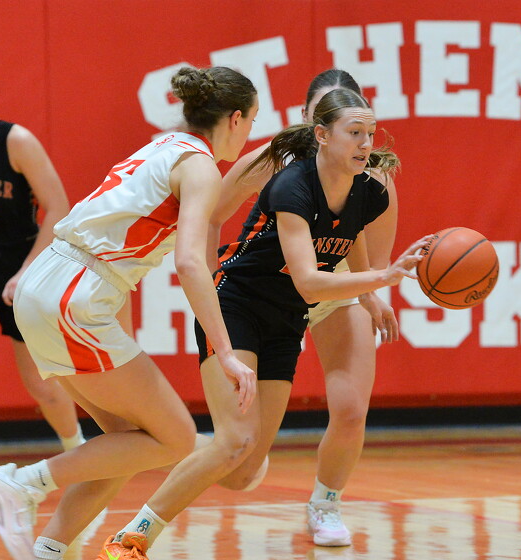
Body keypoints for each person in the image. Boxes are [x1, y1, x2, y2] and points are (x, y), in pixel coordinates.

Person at [95, 87, 431, 560]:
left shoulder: (368, 190)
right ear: (322, 135)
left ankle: (202, 442)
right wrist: (385, 276)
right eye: (355, 133)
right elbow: (309, 282)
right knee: (235, 441)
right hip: (238, 305)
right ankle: (133, 536)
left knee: (241, 471)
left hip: (285, 320)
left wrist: (369, 295)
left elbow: (349, 233)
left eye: (370, 134)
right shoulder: (291, 185)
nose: (365, 144)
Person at [0, 65, 259, 560]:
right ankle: (20, 483)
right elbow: (191, 262)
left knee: (126, 440)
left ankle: (48, 550)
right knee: (177, 438)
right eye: (252, 120)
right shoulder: (200, 167)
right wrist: (227, 352)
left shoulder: (162, 145)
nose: (250, 131)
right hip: (76, 292)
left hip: (50, 280)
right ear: (235, 118)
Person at [215, 69, 398, 546]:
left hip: (337, 284)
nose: (358, 139)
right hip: (274, 289)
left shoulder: (373, 176)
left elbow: (369, 251)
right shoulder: (276, 162)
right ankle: (223, 448)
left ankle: (326, 503)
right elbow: (211, 211)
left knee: (352, 407)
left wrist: (369, 293)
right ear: (313, 123)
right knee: (238, 467)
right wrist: (202, 275)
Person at [0, 64, 87, 449]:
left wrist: (26, 271)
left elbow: (58, 208)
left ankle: (76, 449)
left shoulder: (17, 142)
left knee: (38, 382)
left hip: (20, 259)